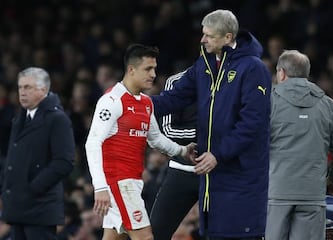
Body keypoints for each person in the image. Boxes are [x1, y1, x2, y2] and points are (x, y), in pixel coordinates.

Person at [151, 9, 272, 239]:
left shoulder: (253, 68)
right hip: (212, 174)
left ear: (228, 37)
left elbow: (252, 124)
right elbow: (176, 98)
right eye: (203, 34)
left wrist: (218, 154)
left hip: (239, 173)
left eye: (209, 35)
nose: (202, 39)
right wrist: (138, 104)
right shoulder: (204, 63)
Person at [85, 44, 196, 240]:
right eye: (147, 69)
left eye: (154, 69)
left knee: (113, 237)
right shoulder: (112, 101)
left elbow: (156, 139)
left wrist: (182, 150)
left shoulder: (145, 102)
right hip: (119, 182)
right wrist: (100, 187)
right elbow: (92, 143)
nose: (153, 74)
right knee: (145, 237)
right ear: (131, 69)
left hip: (131, 181)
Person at [266, 50, 333, 240]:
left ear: (281, 73)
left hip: (275, 192)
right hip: (312, 193)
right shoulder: (328, 105)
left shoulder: (268, 101)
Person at [0, 67, 75, 240]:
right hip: (19, 207)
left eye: (28, 87)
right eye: (20, 87)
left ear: (43, 90)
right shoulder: (21, 117)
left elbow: (64, 161)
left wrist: (34, 187)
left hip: (40, 208)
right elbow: (14, 159)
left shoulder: (57, 119)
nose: (22, 92)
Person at [150, 70, 200, 240]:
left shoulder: (232, 80)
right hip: (182, 169)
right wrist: (208, 136)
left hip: (220, 172)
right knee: (156, 233)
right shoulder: (177, 81)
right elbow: (168, 130)